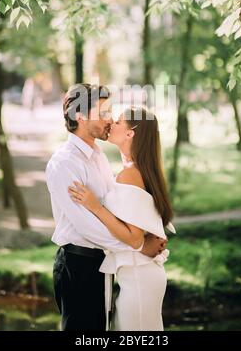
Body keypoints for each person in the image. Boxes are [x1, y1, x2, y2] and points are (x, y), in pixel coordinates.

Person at [45, 84, 167, 331]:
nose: (109, 119)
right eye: (103, 112)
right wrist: (140, 246)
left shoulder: (98, 155)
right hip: (78, 265)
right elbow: (87, 226)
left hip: (104, 264)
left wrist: (142, 237)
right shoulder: (64, 163)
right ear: (80, 116)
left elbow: (120, 211)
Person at [69, 106, 175, 331]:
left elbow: (134, 238)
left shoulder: (131, 174)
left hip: (139, 278)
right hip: (138, 275)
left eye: (117, 121)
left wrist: (95, 206)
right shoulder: (134, 170)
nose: (110, 123)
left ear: (130, 133)